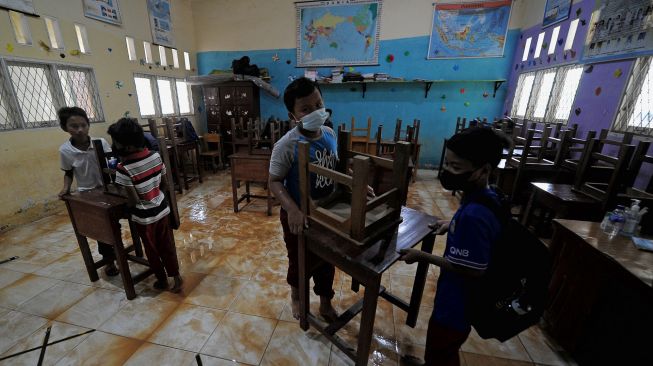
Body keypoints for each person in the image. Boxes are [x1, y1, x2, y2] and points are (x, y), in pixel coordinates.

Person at [399, 127, 511, 366]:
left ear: (484, 170)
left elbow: (473, 269)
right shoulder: (490, 197)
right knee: (443, 346)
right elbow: (485, 228)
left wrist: (421, 256)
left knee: (441, 348)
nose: (448, 171)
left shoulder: (474, 215)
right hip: (461, 299)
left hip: (458, 302)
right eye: (447, 164)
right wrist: (453, 223)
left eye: (456, 167)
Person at [269, 77, 339, 322]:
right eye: (306, 109)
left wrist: (355, 186)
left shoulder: (330, 133)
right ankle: (297, 297)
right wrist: (292, 210)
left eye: (318, 104)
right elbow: (274, 181)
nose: (315, 111)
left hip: (326, 213)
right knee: (299, 261)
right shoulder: (286, 145)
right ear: (294, 115)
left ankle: (325, 302)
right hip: (298, 215)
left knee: (327, 262)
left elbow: (334, 167)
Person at [107, 118, 183, 293]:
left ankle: (162, 280)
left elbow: (133, 200)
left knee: (153, 250)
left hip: (145, 217)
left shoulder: (123, 168)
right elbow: (164, 184)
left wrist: (127, 207)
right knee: (167, 245)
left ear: (125, 145)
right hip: (162, 210)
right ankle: (176, 276)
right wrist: (155, 197)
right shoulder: (155, 156)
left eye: (116, 141)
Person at [57, 106, 119, 277]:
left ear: (88, 124)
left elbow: (113, 165)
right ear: (65, 128)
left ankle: (119, 252)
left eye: (83, 125)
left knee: (115, 225)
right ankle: (110, 261)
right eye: (74, 126)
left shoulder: (100, 143)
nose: (80, 130)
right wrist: (65, 189)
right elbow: (68, 173)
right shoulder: (65, 150)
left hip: (108, 190)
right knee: (101, 228)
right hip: (87, 194)